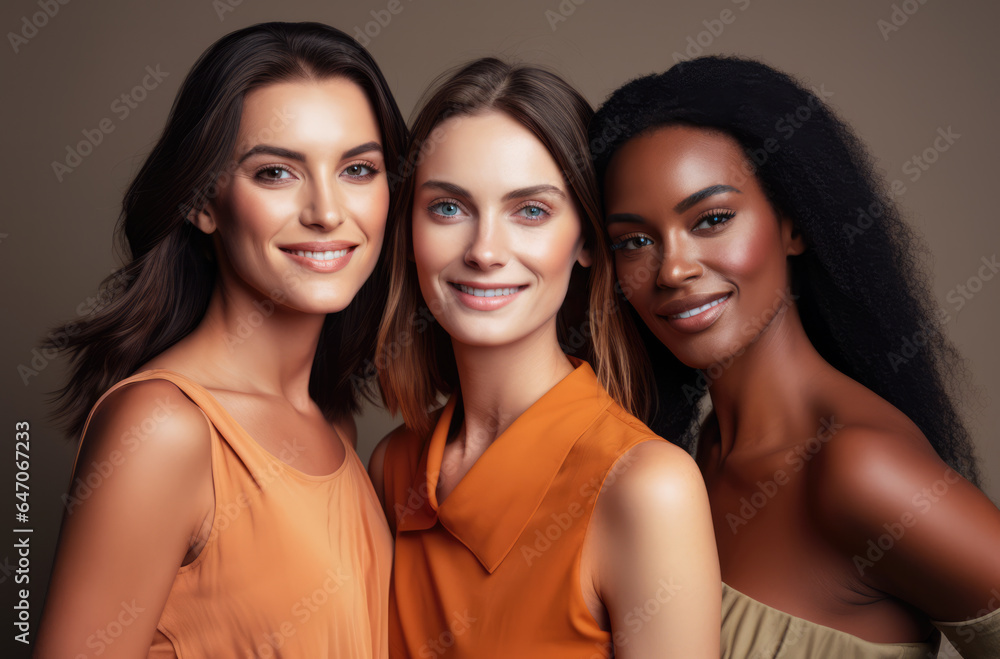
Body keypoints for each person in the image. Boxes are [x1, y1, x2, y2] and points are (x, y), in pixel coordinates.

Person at [590, 55, 1000, 658]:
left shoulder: (860, 469)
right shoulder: (697, 454)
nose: (673, 269)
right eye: (635, 241)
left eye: (713, 219)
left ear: (793, 225)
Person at [34, 22, 406, 658]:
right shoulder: (163, 428)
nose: (326, 210)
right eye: (275, 173)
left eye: (358, 168)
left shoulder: (332, 422)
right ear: (204, 202)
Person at [367, 57, 720, 658]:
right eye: (448, 208)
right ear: (409, 232)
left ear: (585, 240)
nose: (484, 251)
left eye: (530, 211)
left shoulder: (646, 489)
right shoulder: (393, 465)